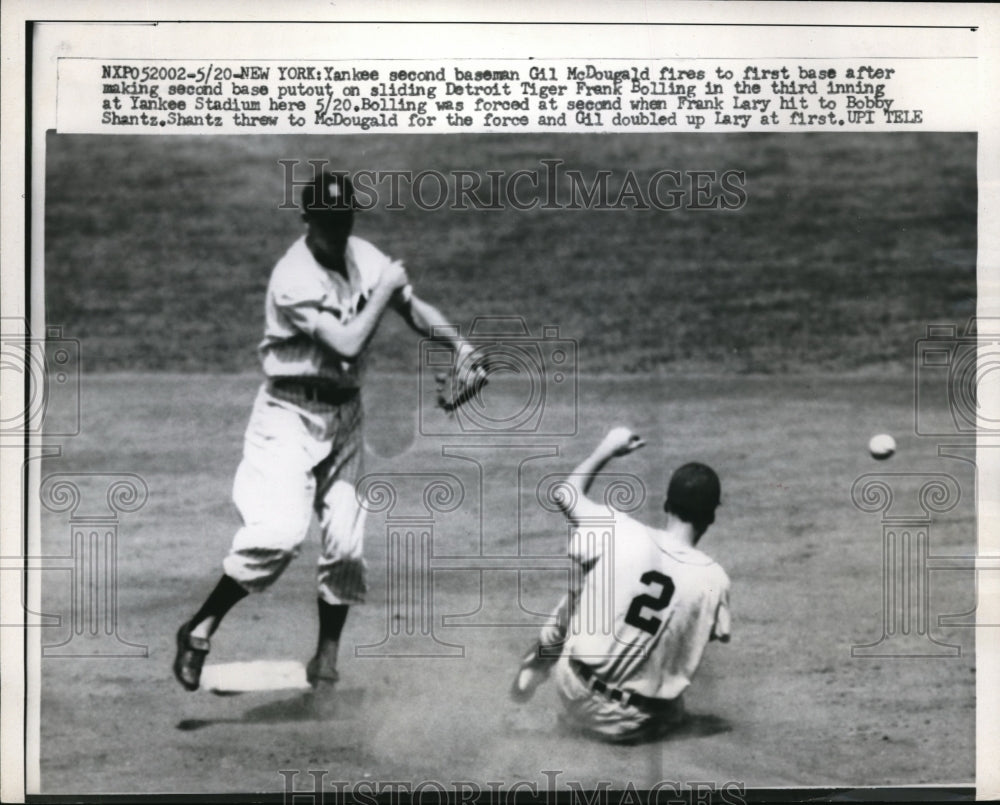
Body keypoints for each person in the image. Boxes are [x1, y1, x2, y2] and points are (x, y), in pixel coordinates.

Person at [174, 169, 482, 693]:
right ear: (308, 220)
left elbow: (410, 307)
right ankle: (199, 626)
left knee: (345, 548)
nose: (339, 229)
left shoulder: (365, 256)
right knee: (277, 536)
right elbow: (345, 344)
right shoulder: (293, 276)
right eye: (329, 220)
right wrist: (385, 290)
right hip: (287, 417)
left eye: (345, 218)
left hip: (344, 418)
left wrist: (460, 347)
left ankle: (325, 662)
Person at [510, 426, 731, 743]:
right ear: (711, 517)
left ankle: (539, 661)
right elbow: (705, 635)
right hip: (642, 723)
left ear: (667, 504)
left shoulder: (621, 531)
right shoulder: (716, 579)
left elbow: (565, 494)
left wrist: (607, 449)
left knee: (584, 591)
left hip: (576, 693)